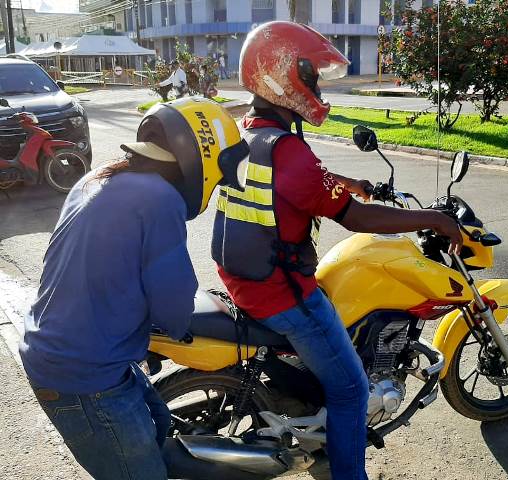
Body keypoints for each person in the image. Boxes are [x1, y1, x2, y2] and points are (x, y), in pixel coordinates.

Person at [211, 21, 462, 480]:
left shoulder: (249, 133)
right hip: (283, 294)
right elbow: (358, 219)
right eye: (313, 77)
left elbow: (297, 184)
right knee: (350, 390)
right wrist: (434, 219)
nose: (319, 88)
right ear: (285, 75)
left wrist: (350, 184)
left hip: (244, 278)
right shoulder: (289, 150)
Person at [20, 98, 250, 480]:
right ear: (201, 159)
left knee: (160, 424)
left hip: (67, 350)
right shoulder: (160, 200)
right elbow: (174, 312)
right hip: (84, 373)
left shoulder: (99, 177)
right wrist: (206, 310)